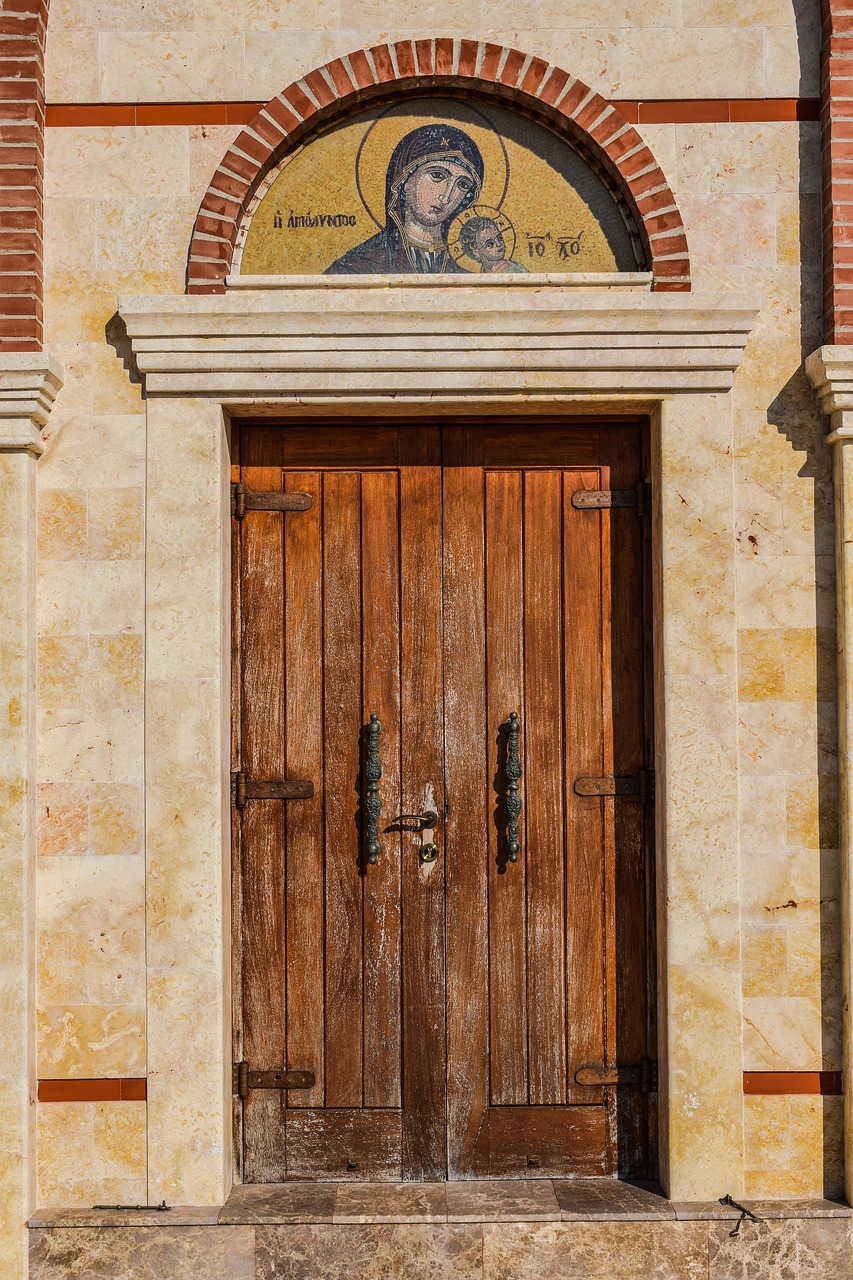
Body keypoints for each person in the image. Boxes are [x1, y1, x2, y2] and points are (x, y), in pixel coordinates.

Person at [326, 123, 484, 274]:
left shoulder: (474, 265)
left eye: (462, 185)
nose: (446, 196)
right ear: (403, 180)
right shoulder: (358, 265)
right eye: (437, 175)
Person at [458, 214, 528, 274]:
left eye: (499, 238)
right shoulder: (484, 272)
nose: (498, 244)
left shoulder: (516, 271)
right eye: (490, 244)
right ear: (476, 252)